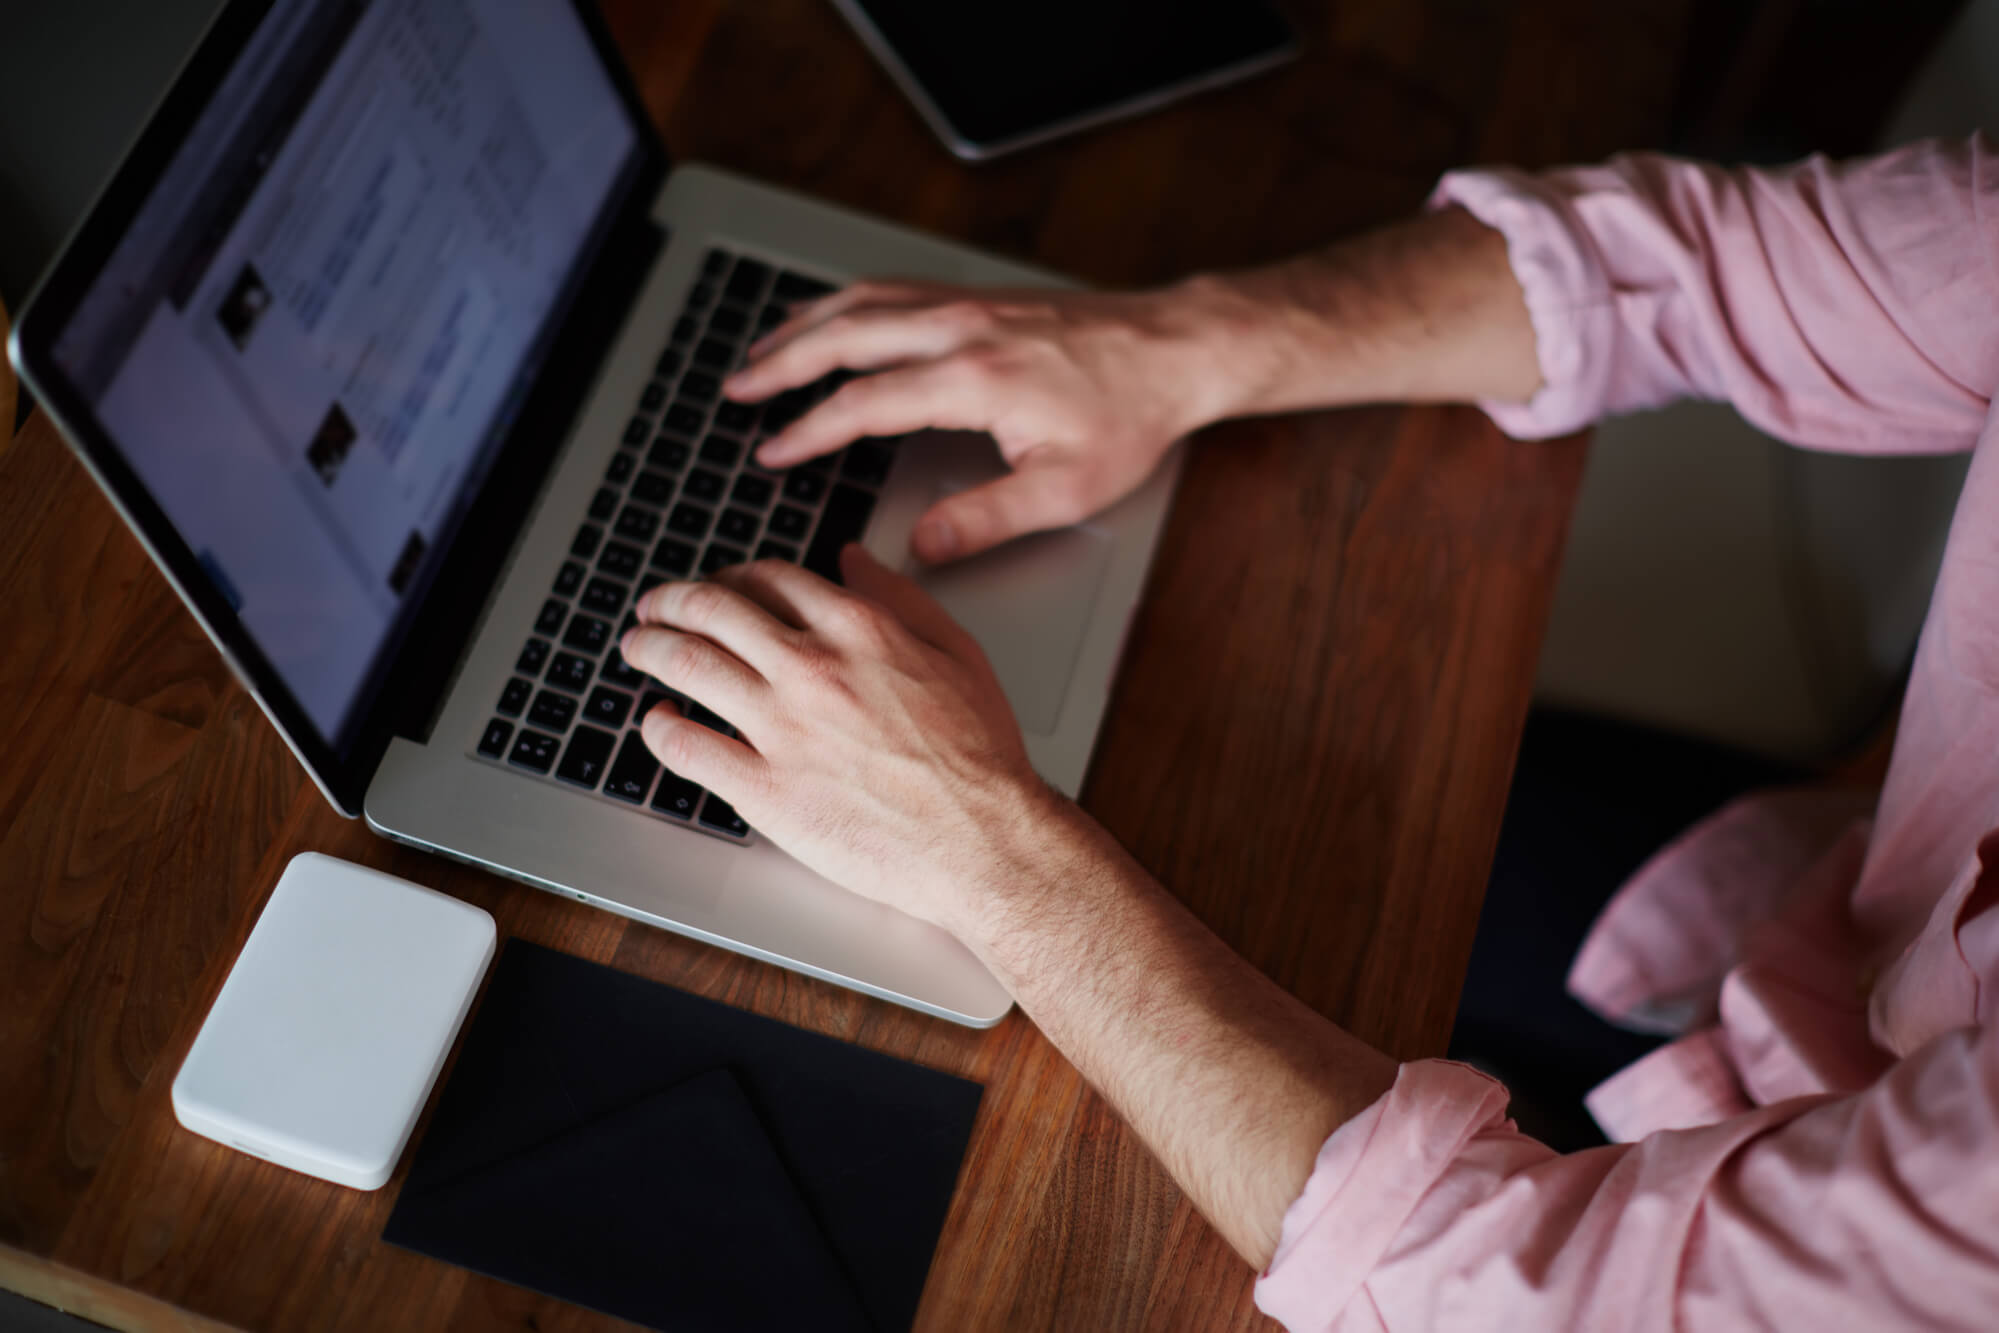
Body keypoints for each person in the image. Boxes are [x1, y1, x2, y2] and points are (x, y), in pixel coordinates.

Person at [619, 134, 1999, 1329]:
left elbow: (1509, 1294)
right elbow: (1700, 264)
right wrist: (1170, 346)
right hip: (1816, 919)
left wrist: (991, 845)